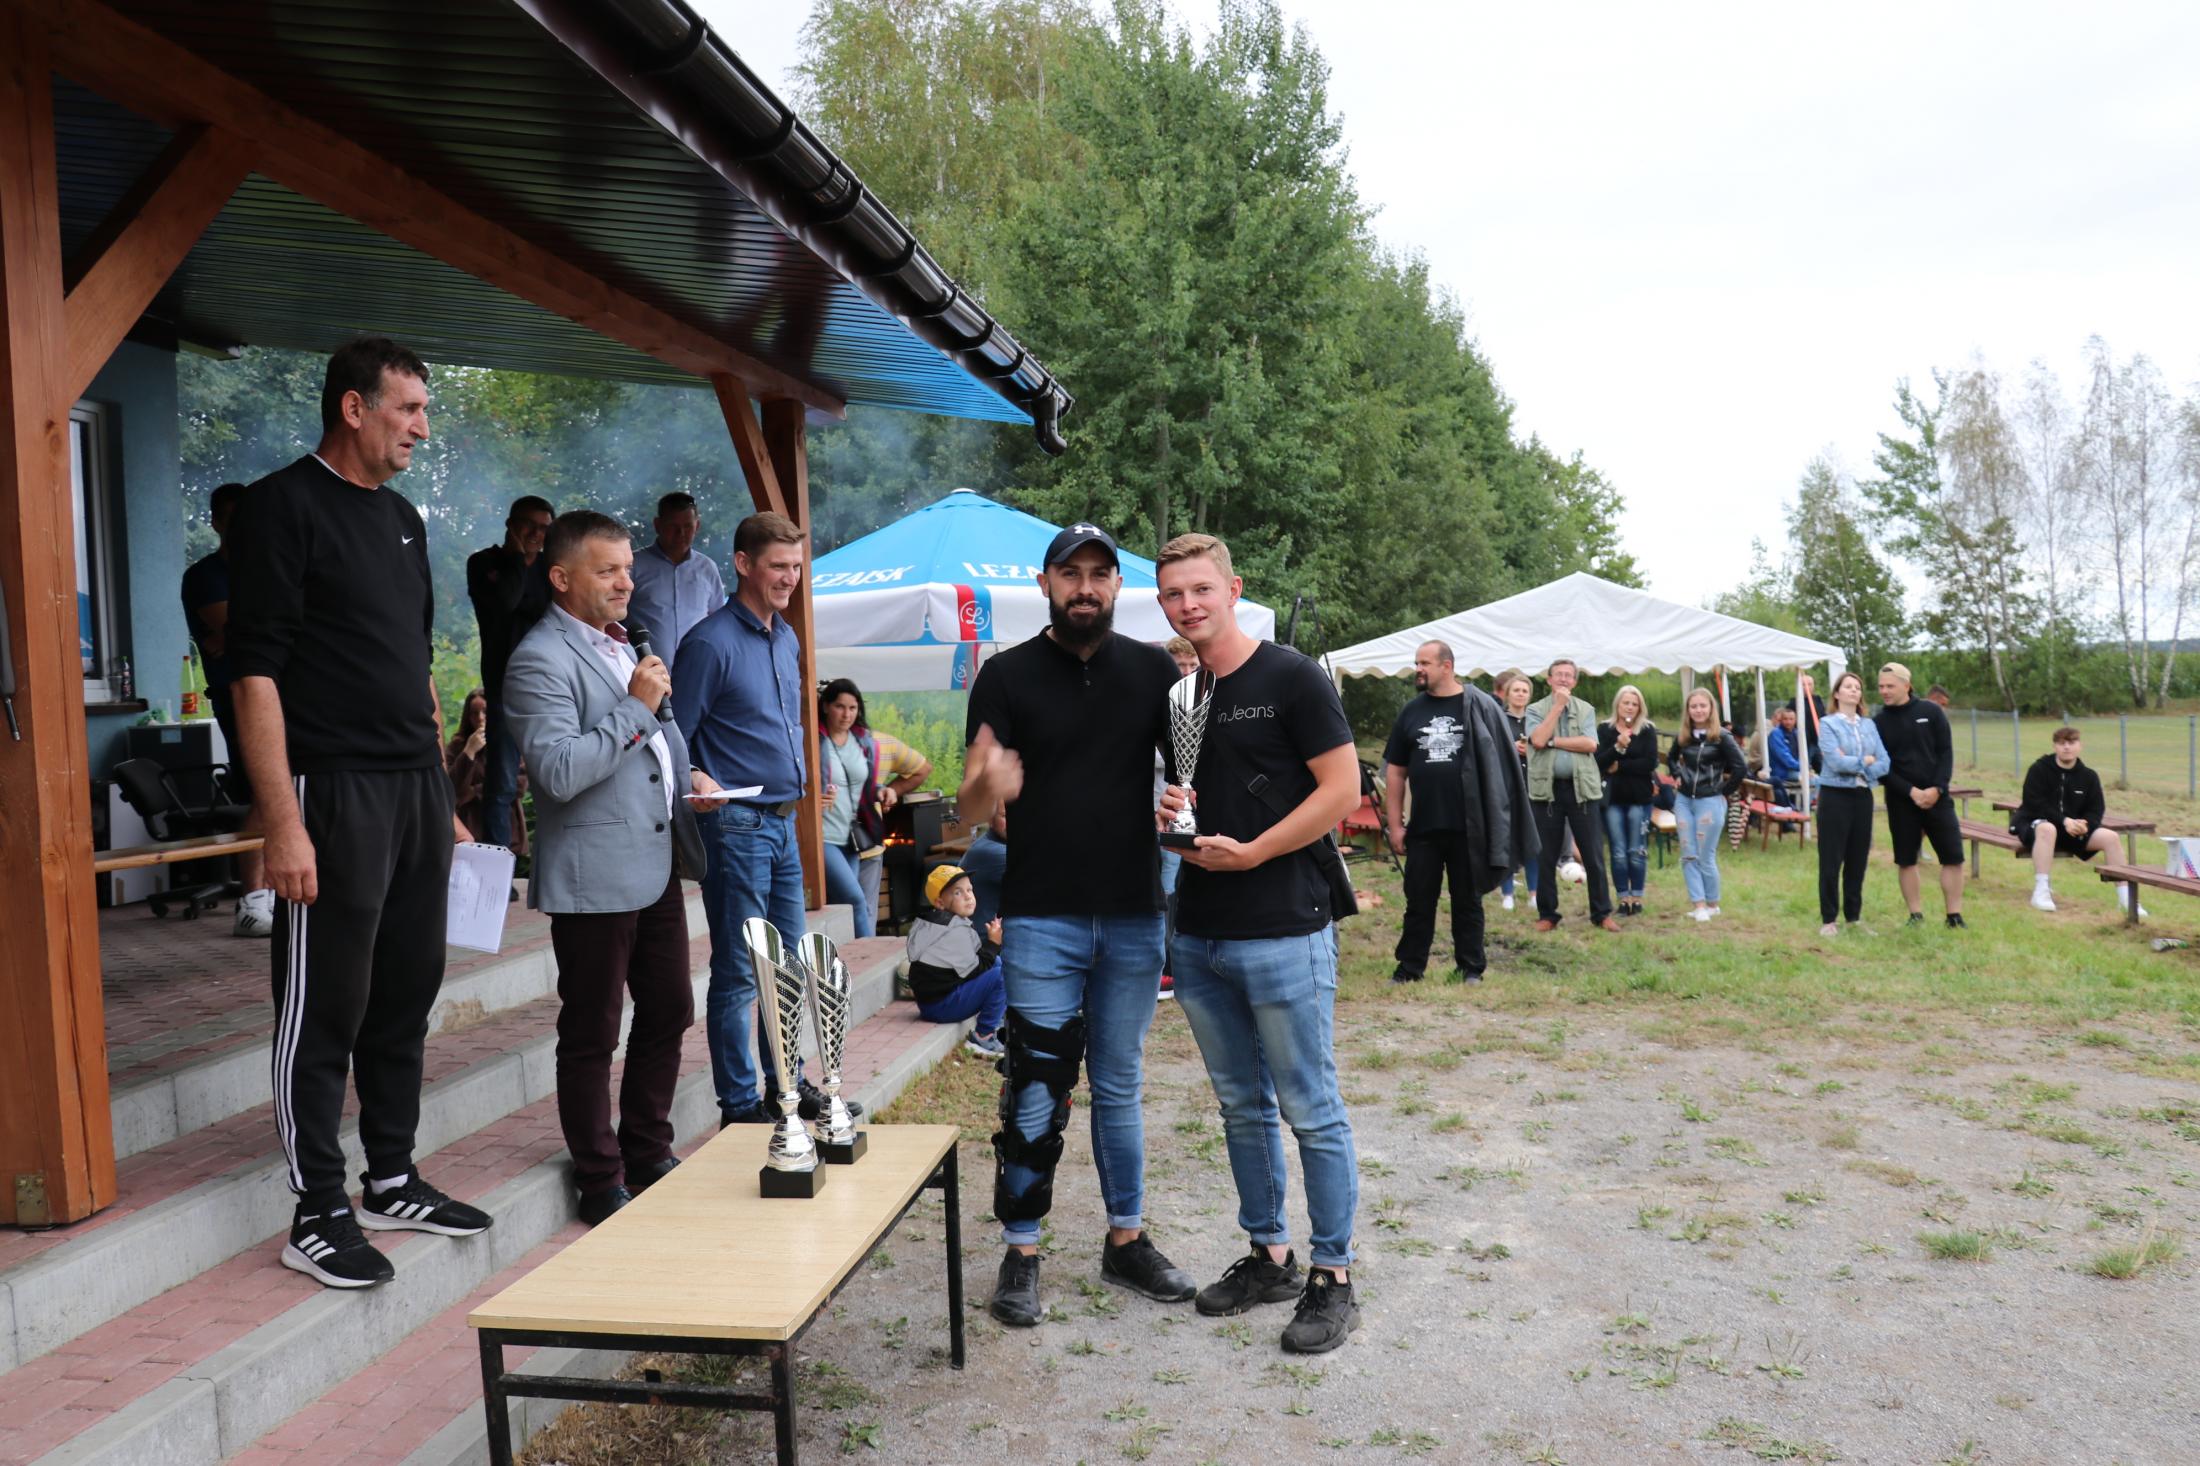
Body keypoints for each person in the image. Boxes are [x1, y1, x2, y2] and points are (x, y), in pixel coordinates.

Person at [227, 338, 491, 1290]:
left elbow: (415, 671)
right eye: (409, 408)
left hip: (412, 791)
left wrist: (443, 797)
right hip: (330, 790)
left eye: (424, 409)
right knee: (323, 1007)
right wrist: (281, 824)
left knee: (405, 993)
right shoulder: (281, 505)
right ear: (353, 407)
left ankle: (391, 1178)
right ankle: (317, 1210)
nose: (423, 427)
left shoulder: (405, 520)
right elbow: (253, 673)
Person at [957, 520, 1194, 1329]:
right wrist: (987, 786)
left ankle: (1125, 1240)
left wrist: (1182, 804)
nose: (1085, 587)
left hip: (1132, 914)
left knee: (1120, 1085)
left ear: (1118, 585)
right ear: (1046, 583)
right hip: (1042, 917)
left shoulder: (1154, 671)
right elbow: (972, 805)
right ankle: (1021, 1250)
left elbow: (1187, 779)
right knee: (1037, 1084)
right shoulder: (1005, 676)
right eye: (1071, 574)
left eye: (1099, 574)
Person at [1156, 533, 1363, 1354]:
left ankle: (1334, 1275)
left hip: (1283, 925)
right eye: (1173, 595)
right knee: (1241, 1106)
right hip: (1200, 932)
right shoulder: (1182, 697)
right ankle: (1270, 1255)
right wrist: (1171, 812)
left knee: (1310, 1108)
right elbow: (1192, 798)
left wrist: (1257, 851)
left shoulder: (1293, 677)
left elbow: (1342, 790)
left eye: (1200, 589)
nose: (1188, 605)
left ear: (1233, 588)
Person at [503, 511, 716, 1226]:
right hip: (593, 872)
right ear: (562, 578)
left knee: (670, 1008)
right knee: (593, 1030)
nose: (627, 581)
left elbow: (655, 740)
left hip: (655, 860)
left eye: (627, 568)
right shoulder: (539, 659)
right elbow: (560, 772)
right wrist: (635, 708)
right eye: (608, 570)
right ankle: (598, 1177)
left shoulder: (627, 643)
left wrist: (692, 778)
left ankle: (647, 1148)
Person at [673, 511, 850, 1127]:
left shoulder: (786, 637)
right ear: (743, 564)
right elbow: (674, 737)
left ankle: (787, 1088)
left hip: (782, 823)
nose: (789, 578)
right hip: (735, 826)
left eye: (796, 567)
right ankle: (740, 1104)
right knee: (741, 971)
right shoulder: (708, 642)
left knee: (791, 968)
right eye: (778, 566)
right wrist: (696, 775)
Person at [180, 480, 273, 936]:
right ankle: (253, 902)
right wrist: (243, 630)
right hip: (240, 702)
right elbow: (242, 630)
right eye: (235, 520)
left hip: (286, 698)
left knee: (299, 790)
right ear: (217, 523)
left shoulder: (270, 567)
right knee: (265, 792)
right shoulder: (205, 575)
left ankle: (281, 890)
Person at [1383, 640, 1494, 981]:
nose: (1418, 669)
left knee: (1468, 901)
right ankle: (1410, 968)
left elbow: (1497, 765)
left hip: (1468, 826)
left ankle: (1470, 968)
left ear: (1447, 666)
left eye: (1425, 663)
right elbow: (1395, 772)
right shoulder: (1411, 711)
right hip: (1424, 826)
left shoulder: (1477, 706)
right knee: (1418, 901)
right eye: (1417, 662)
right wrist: (1395, 825)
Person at [465, 496, 555, 849]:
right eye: (529, 525)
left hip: (548, 685)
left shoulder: (552, 569)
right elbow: (505, 602)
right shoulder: (484, 563)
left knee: (555, 779)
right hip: (503, 685)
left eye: (544, 528)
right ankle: (497, 867)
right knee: (501, 784)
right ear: (511, 524)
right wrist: (518, 559)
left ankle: (552, 865)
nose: (536, 533)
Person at [1525, 659, 1618, 933]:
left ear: (1575, 682)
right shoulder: (1535, 709)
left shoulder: (1586, 709)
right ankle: (1547, 914)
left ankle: (1602, 913)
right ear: (1549, 680)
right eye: (1559, 675)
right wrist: (1557, 707)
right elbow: (1537, 739)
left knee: (1592, 854)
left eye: (1569, 675)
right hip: (1547, 790)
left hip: (1582, 790)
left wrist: (1554, 741)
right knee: (1546, 855)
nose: (1564, 679)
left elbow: (1589, 744)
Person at [1873, 662, 1966, 929]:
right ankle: (1915, 915)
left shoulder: (1931, 712)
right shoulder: (1878, 723)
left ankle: (1954, 915)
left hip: (1937, 798)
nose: (1884, 691)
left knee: (1953, 857)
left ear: (1906, 685)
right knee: (1906, 860)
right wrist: (1910, 791)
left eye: (1890, 686)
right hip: (1902, 800)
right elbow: (1881, 767)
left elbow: (1945, 752)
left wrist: (1937, 788)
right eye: (1881, 686)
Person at [1813, 670, 1888, 935]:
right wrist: (1864, 761)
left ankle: (1853, 917)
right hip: (1835, 796)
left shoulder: (1869, 726)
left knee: (1858, 858)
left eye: (1857, 687)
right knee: (1831, 859)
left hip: (1862, 796)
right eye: (1848, 686)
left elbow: (1884, 762)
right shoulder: (1828, 724)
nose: (1854, 690)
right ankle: (1829, 920)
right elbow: (1835, 762)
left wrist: (1859, 765)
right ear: (1837, 693)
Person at [905, 864, 1007, 1056]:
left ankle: (997, 1019)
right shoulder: (951, 931)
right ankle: (983, 1036)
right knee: (1002, 974)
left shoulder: (942, 921)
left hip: (935, 1000)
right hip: (940, 1005)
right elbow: (977, 968)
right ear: (940, 903)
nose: (968, 896)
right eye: (958, 893)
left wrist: (991, 949)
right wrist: (994, 943)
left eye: (969, 890)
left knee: (997, 963)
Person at [2016, 727, 2120, 913]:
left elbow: (2096, 809)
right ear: (2054, 746)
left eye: (2071, 743)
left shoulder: (2089, 776)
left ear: (2080, 746)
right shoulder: (2039, 769)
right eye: (2061, 743)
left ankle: (2127, 898)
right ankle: (2041, 890)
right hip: (2036, 827)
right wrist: (2064, 820)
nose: (2066, 747)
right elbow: (2034, 804)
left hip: (2072, 831)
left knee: (2111, 837)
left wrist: (2085, 825)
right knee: (2048, 829)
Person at [1666, 689, 1747, 922]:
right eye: (1694, 706)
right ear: (1688, 710)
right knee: (1688, 853)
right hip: (1684, 800)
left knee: (1705, 855)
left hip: (1709, 801)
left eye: (1703, 705)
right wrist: (1676, 773)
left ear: (1711, 708)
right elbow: (1671, 757)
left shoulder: (1722, 736)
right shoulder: (1684, 735)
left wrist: (1723, 791)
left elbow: (1740, 767)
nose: (1698, 710)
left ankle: (1712, 904)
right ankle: (1698, 904)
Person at [626, 490, 726, 673]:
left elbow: (718, 621)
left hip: (698, 671)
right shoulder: (633, 565)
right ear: (657, 525)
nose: (681, 533)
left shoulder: (707, 568)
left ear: (697, 526)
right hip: (645, 673)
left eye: (688, 526)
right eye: (673, 526)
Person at [816, 678, 881, 939]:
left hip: (851, 835)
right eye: (840, 707)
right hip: (823, 835)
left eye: (852, 708)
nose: (846, 714)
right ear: (825, 707)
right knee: (855, 899)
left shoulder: (863, 741)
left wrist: (882, 790)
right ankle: (869, 951)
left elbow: (866, 783)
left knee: (841, 906)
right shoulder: (813, 740)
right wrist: (811, 799)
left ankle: (840, 955)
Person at [857, 729, 932, 928]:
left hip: (855, 841)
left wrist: (888, 792)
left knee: (848, 908)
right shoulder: (883, 742)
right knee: (866, 910)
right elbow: (923, 769)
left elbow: (923, 769)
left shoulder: (821, 741)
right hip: (865, 840)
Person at [1595, 685, 1658, 917]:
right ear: (1618, 705)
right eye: (1626, 703)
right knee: (1618, 851)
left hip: (1639, 799)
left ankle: (1637, 896)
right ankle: (1623, 897)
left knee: (1636, 850)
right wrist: (1617, 746)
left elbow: (1650, 763)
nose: (1630, 707)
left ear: (1640, 707)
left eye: (1634, 703)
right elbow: (1599, 761)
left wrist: (1619, 765)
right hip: (1613, 799)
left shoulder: (1647, 730)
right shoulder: (1605, 729)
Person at [445, 688, 528, 860]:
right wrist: (469, 752)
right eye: (474, 713)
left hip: (505, 827)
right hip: (469, 828)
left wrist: (474, 792)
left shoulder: (509, 742)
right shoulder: (457, 746)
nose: (480, 718)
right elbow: (447, 787)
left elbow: (519, 783)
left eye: (485, 712)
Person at [1495, 672, 1538, 911]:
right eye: (1516, 690)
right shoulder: (1498, 719)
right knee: (1507, 840)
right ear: (1508, 694)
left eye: (1524, 691)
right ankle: (1507, 892)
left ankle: (1534, 893)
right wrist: (1509, 748)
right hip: (1507, 786)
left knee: (1533, 840)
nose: (1520, 694)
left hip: (1533, 786)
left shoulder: (1536, 720)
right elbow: (1490, 749)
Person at [1766, 707, 1802, 805]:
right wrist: (1802, 767)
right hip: (1781, 772)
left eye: (1791, 719)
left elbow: (1801, 754)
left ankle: (1805, 805)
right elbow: (1784, 757)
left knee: (1816, 778)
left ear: (1795, 720)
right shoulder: (1776, 734)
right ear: (1781, 720)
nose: (1788, 722)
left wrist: (1805, 768)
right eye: (1785, 719)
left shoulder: (1796, 733)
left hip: (1794, 769)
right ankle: (1799, 807)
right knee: (1814, 780)